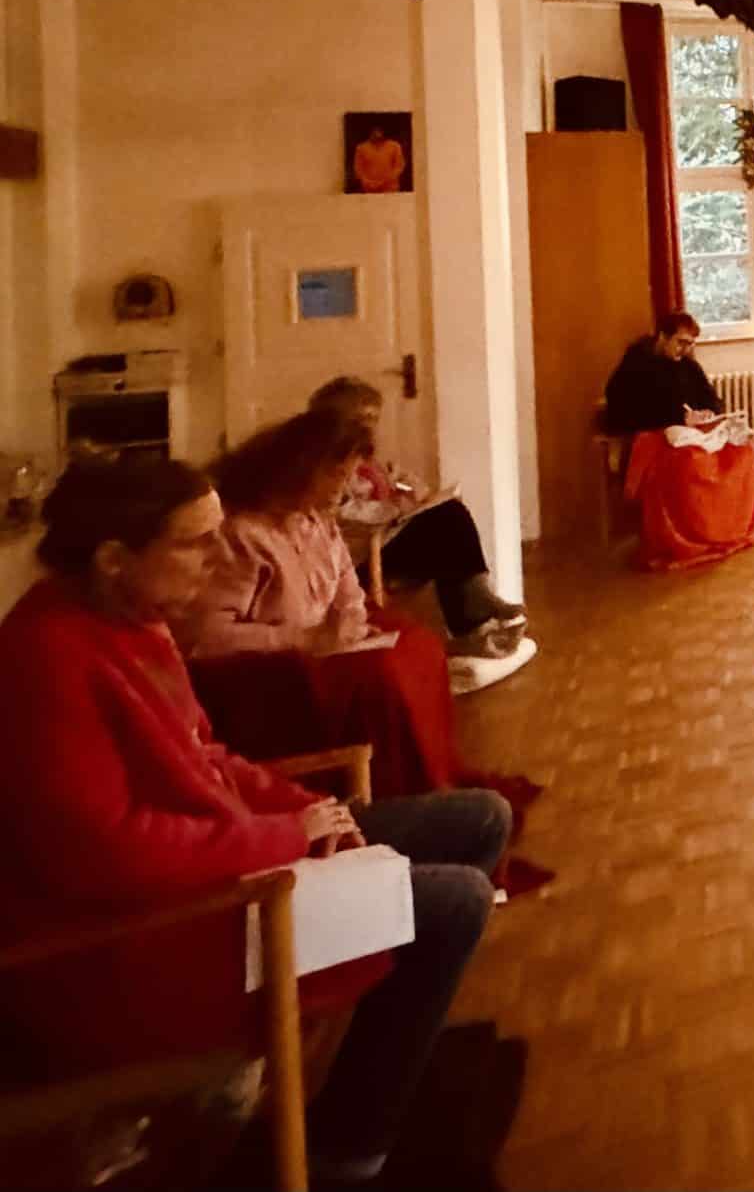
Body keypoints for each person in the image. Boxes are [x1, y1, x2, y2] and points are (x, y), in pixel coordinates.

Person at [0, 456, 507, 1184]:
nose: (217, 556)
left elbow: (206, 755)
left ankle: (378, 1062)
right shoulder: (45, 659)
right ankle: (345, 1148)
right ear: (114, 559)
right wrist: (284, 837)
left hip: (225, 868)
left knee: (479, 818)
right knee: (453, 901)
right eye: (195, 541)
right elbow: (108, 853)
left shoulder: (133, 620)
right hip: (147, 940)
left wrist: (307, 809)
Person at [183, 414, 546, 832]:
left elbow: (347, 590)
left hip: (320, 646)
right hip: (268, 675)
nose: (343, 487)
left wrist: (353, 621)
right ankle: (398, 800)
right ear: (301, 470)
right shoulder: (242, 535)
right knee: (381, 679)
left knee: (418, 646)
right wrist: (304, 639)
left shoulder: (316, 520)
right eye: (337, 475)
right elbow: (207, 637)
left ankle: (432, 780)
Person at [309, 376, 527, 663]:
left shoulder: (368, 460)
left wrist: (410, 490)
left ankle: (475, 615)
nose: (371, 426)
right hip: (359, 558)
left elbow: (390, 495)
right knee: (448, 520)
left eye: (374, 418)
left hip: (384, 538)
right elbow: (345, 513)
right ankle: (474, 614)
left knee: (449, 521)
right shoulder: (327, 464)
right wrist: (395, 507)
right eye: (363, 419)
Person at [602, 311, 754, 570]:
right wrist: (676, 417)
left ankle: (730, 530)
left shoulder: (688, 365)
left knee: (744, 448)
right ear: (662, 337)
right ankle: (694, 538)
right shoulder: (636, 365)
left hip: (694, 432)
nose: (685, 349)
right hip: (654, 435)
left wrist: (709, 412)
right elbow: (624, 410)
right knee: (692, 462)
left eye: (690, 344)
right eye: (680, 342)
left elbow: (710, 397)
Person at [351, 123, 407, 194]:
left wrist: (385, 181)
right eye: (374, 130)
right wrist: (367, 182)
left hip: (390, 189)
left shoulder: (395, 146)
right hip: (369, 189)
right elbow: (358, 169)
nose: (377, 133)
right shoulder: (361, 148)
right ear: (369, 132)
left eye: (379, 130)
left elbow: (399, 166)